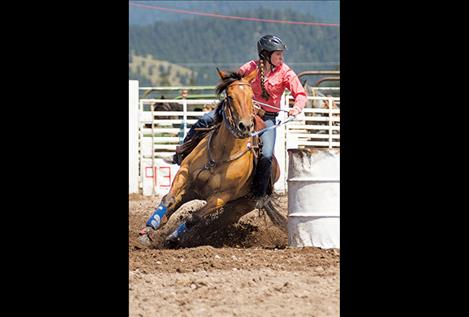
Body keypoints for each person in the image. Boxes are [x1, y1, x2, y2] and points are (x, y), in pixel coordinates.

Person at [172, 35, 307, 207]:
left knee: (266, 154)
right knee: (204, 120)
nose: (281, 57)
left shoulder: (285, 72)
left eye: (281, 54)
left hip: (267, 118)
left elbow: (300, 94)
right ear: (266, 54)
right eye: (278, 54)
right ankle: (183, 153)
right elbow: (234, 82)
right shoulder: (250, 67)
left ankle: (259, 193)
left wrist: (296, 107)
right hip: (242, 112)